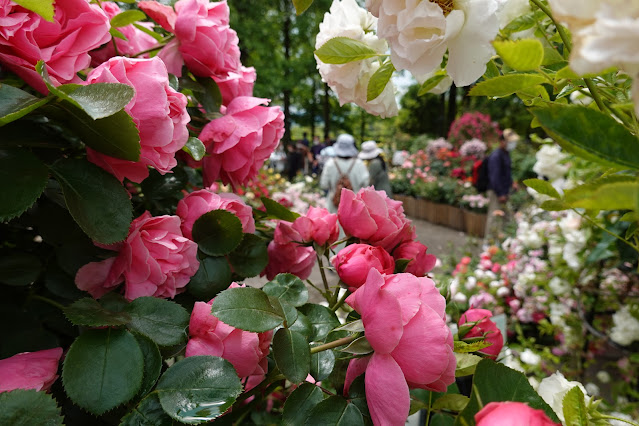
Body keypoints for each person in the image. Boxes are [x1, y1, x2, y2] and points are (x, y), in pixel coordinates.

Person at [320, 134, 369, 213]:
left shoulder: (330, 163)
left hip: (333, 207)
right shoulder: (359, 164)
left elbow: (324, 185)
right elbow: (366, 184)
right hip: (354, 208)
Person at [485, 130, 515, 241]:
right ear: (502, 141)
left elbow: (506, 173)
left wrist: (512, 183)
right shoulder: (496, 156)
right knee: (494, 218)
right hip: (496, 192)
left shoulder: (505, 154)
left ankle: (503, 242)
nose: (512, 145)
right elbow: (494, 177)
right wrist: (500, 193)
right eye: (510, 142)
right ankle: (489, 243)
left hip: (504, 192)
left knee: (506, 218)